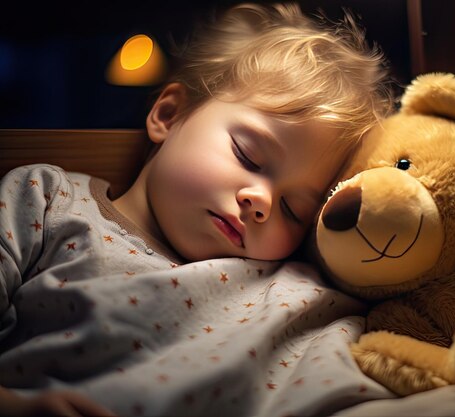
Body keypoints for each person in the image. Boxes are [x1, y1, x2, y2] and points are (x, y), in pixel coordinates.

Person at [0, 3, 393, 416]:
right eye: (248, 156)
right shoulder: (47, 199)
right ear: (169, 115)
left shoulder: (288, 284)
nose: (261, 202)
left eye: (294, 210)